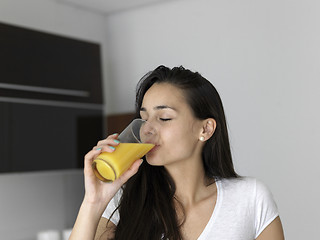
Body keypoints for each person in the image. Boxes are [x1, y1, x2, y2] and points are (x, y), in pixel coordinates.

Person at [70, 65, 285, 240]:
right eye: (143, 119)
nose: (147, 129)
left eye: (164, 118)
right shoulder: (123, 201)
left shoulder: (250, 198)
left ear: (205, 129)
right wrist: (94, 202)